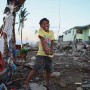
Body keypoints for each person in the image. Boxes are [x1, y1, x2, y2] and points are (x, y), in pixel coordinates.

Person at [23, 18, 55, 89]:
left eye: (47, 23)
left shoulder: (51, 32)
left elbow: (52, 41)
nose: (45, 25)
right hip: (41, 54)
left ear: (49, 24)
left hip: (49, 55)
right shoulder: (41, 31)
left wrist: (52, 49)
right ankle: (26, 83)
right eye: (43, 24)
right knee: (35, 69)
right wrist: (45, 50)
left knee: (48, 70)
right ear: (40, 26)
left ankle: (47, 83)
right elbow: (42, 40)